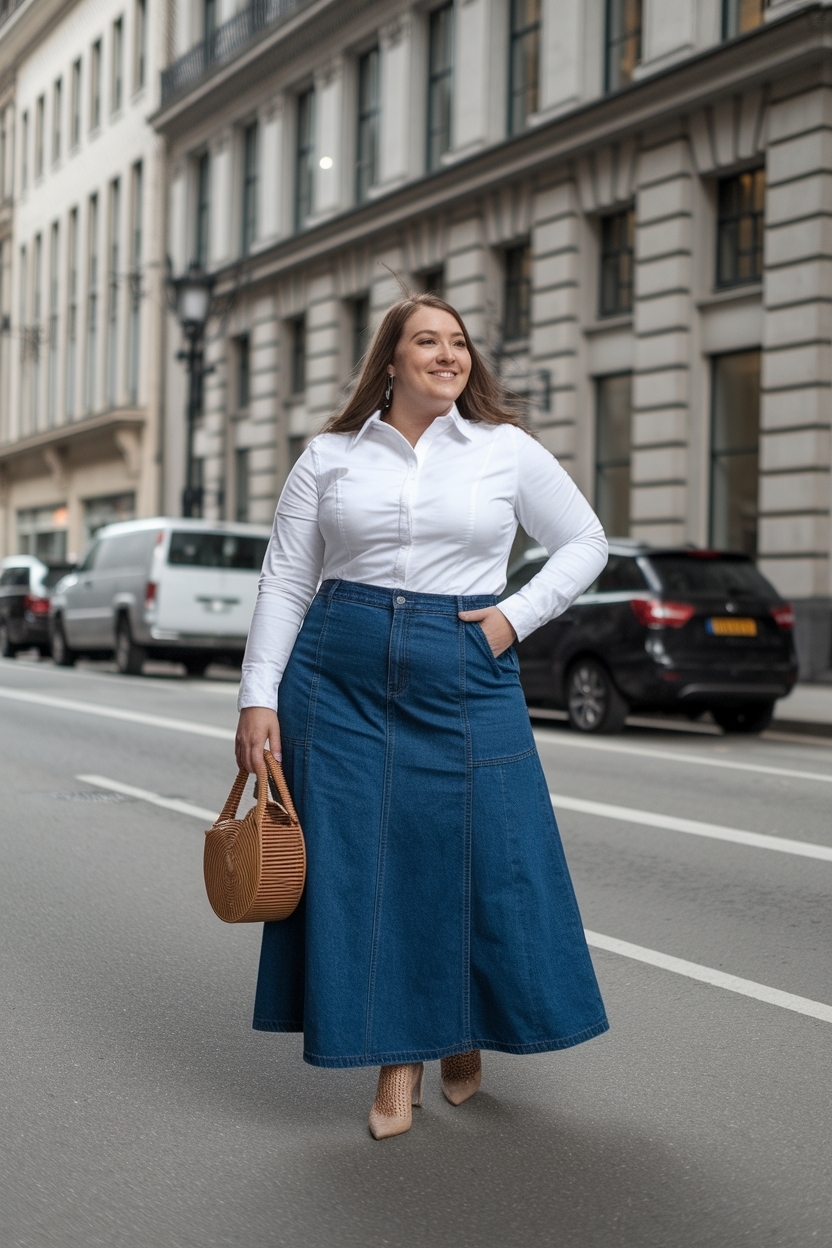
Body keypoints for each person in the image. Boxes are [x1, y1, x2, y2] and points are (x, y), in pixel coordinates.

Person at [235, 291, 609, 1140]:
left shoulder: (504, 450)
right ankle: (398, 1060)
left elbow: (587, 540)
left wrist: (517, 614)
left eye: (459, 343)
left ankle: (463, 1028)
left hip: (463, 667)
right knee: (364, 869)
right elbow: (288, 579)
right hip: (340, 672)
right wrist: (259, 695)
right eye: (427, 342)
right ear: (391, 360)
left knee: (480, 855)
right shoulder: (330, 456)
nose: (448, 355)